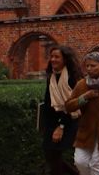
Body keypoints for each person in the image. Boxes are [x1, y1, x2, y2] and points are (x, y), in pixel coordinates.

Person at [39, 44, 82, 175]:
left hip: (69, 119)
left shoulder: (72, 78)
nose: (53, 59)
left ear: (65, 59)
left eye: (57, 57)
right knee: (50, 154)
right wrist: (45, 124)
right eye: (51, 56)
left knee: (54, 153)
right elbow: (48, 102)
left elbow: (72, 105)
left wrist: (61, 127)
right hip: (52, 121)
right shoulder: (52, 77)